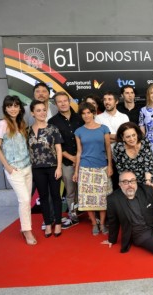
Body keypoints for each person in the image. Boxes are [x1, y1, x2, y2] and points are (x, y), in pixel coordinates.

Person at [0, 95, 36, 245]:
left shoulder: (21, 123)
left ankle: (26, 227)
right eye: (10, 106)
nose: (13, 109)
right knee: (24, 199)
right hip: (14, 169)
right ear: (5, 108)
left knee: (26, 200)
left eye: (16, 106)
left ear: (20, 108)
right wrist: (8, 167)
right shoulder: (2, 124)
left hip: (27, 167)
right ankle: (27, 231)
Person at [73, 102, 113, 236]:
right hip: (85, 168)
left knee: (103, 198)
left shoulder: (104, 128)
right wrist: (76, 171)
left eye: (88, 112)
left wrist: (110, 166)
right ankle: (94, 224)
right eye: (83, 113)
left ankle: (102, 223)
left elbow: (108, 148)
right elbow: (79, 152)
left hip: (102, 167)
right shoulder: (78, 131)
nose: (86, 115)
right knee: (87, 199)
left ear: (93, 113)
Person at [27, 100, 63, 238]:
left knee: (55, 196)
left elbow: (58, 149)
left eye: (43, 110)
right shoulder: (28, 131)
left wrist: (59, 167)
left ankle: (58, 223)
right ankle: (48, 223)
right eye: (38, 110)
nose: (42, 113)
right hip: (36, 169)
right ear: (32, 113)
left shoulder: (53, 128)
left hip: (53, 167)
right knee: (43, 197)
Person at [48, 91, 84, 228]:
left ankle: (88, 212)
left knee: (85, 189)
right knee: (70, 191)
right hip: (66, 162)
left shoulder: (80, 118)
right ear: (56, 104)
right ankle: (73, 215)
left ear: (69, 102)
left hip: (84, 160)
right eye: (59, 102)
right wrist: (72, 158)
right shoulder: (52, 122)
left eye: (65, 101)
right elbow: (55, 146)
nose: (63, 103)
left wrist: (79, 159)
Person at [113, 122, 153, 190]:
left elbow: (148, 165)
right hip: (130, 181)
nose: (132, 139)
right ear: (123, 138)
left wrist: (148, 181)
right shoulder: (118, 148)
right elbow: (121, 169)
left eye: (133, 135)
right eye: (128, 137)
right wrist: (130, 183)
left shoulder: (144, 142)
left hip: (148, 177)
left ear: (137, 134)